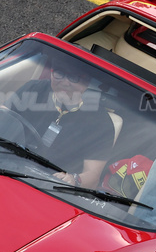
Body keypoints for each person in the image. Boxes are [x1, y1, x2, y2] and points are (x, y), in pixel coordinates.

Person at [9, 57, 115, 189]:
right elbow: (3, 117)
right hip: (9, 166)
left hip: (51, 185)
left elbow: (92, 177)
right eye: (59, 73)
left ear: (86, 82)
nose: (65, 82)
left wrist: (73, 179)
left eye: (74, 77)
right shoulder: (32, 90)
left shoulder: (101, 123)